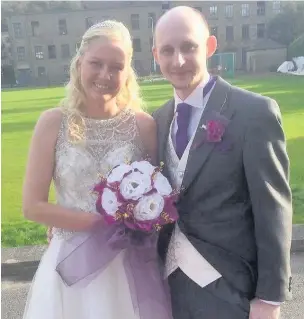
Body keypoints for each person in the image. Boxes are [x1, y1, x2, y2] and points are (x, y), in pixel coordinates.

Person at [152, 6, 292, 319]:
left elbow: (273, 209)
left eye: (189, 47)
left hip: (231, 290)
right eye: (168, 50)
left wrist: (269, 299)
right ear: (155, 55)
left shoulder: (253, 113)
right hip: (167, 288)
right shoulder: (157, 120)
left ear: (211, 46)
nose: (178, 60)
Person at [22, 20, 161, 319]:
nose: (105, 75)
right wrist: (102, 224)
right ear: (79, 62)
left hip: (127, 268)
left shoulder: (144, 126)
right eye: (96, 63)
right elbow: (32, 207)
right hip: (68, 265)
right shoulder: (53, 124)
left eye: (116, 66)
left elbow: (159, 197)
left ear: (128, 72)